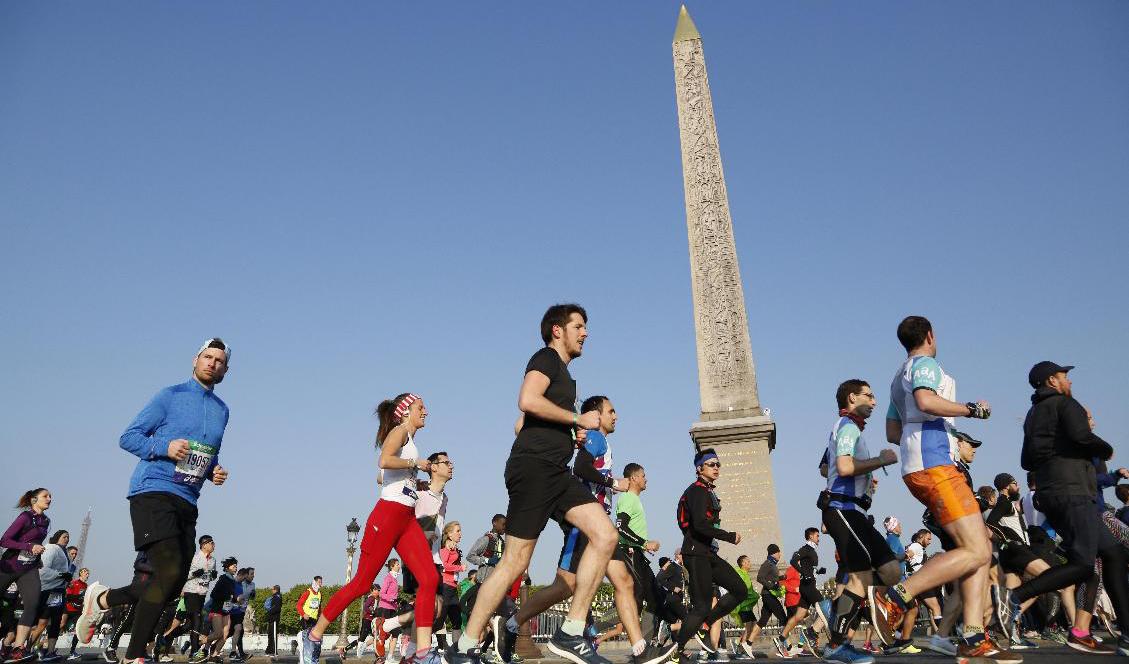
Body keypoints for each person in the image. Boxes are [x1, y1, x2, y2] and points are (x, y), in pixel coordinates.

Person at [450, 304, 620, 664]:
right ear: (557, 330)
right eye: (579, 326)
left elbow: (522, 423)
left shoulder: (565, 377)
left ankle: (571, 632)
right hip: (533, 469)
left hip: (556, 471)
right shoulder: (545, 358)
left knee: (605, 535)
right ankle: (465, 645)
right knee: (514, 562)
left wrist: (567, 432)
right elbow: (526, 400)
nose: (586, 332)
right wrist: (576, 418)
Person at [76, 339, 232, 664]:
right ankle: (135, 656)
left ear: (225, 370)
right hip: (152, 490)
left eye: (219, 360)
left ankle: (103, 599)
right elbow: (129, 436)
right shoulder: (170, 395)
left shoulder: (221, 411)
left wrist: (213, 471)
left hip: (188, 499)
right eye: (207, 357)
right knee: (170, 568)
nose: (212, 363)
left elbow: (206, 455)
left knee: (173, 581)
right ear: (195, 360)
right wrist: (165, 447)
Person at [873, 317, 1015, 663]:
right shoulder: (925, 365)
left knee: (978, 547)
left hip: (917, 468)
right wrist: (970, 410)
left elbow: (893, 431)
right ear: (931, 336)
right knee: (980, 550)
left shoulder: (897, 377)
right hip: (935, 465)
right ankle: (896, 595)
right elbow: (925, 401)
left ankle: (972, 635)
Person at [493, 398, 669, 664]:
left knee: (623, 581)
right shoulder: (597, 438)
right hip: (586, 524)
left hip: (596, 527)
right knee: (565, 587)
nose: (616, 416)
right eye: (611, 411)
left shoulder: (602, 441)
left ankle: (640, 649)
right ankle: (513, 625)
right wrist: (614, 483)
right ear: (596, 415)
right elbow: (581, 468)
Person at [301, 393, 441, 664]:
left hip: (406, 519)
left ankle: (422, 653)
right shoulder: (399, 432)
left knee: (429, 579)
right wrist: (416, 465)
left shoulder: (411, 441)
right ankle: (314, 635)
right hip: (387, 517)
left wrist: (415, 482)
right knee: (362, 583)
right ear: (405, 411)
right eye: (421, 407)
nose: (426, 411)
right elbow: (384, 461)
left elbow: (390, 476)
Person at [1006, 362, 1129, 655]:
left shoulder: (1033, 415)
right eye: (1065, 376)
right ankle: (1012, 598)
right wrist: (1105, 448)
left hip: (1053, 495)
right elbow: (1082, 438)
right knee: (1084, 565)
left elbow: (1026, 460)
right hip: (1074, 493)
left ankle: (1113, 633)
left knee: (1112, 552)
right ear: (1052, 380)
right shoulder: (1065, 404)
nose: (1069, 382)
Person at [817, 380, 901, 664]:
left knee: (891, 572)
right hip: (842, 509)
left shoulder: (849, 430)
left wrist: (863, 479)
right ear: (852, 398)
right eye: (869, 395)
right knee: (862, 576)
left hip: (856, 511)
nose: (874, 401)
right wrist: (879, 461)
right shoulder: (847, 426)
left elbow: (827, 467)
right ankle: (836, 645)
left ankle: (846, 601)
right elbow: (842, 467)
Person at [668, 449, 745, 664]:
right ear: (699, 468)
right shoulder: (697, 491)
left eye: (718, 464)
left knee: (739, 589)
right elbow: (700, 525)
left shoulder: (707, 491)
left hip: (707, 553)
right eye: (711, 464)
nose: (716, 467)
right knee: (701, 606)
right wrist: (728, 536)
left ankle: (704, 624)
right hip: (695, 554)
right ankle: (677, 650)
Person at [986, 472, 1078, 648]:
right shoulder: (1004, 502)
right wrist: (1008, 539)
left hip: (1011, 554)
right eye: (1014, 483)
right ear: (1006, 486)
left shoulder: (1011, 504)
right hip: (1018, 550)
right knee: (1060, 583)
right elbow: (990, 523)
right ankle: (1077, 632)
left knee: (1017, 594)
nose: (1018, 486)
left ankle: (1007, 632)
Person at [0, 489, 53, 664]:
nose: (49, 499)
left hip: (29, 568)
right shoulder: (25, 517)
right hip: (10, 566)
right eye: (46, 496)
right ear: (33, 500)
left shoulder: (46, 521)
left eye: (50, 496)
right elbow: (5, 540)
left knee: (32, 604)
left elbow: (37, 544)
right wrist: (29, 546)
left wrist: (36, 556)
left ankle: (17, 649)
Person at [776, 529, 825, 657]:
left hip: (806, 586)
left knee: (798, 616)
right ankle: (811, 634)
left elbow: (809, 568)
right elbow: (793, 560)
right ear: (810, 536)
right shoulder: (806, 549)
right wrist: (804, 573)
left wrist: (818, 571)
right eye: (817, 535)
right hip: (808, 587)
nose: (819, 538)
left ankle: (781, 639)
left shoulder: (812, 550)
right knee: (826, 610)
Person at [30, 530, 73, 663]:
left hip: (58, 591)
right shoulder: (51, 548)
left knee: (55, 622)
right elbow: (42, 570)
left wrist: (65, 579)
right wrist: (61, 575)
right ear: (56, 537)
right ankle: (25, 647)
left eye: (68, 537)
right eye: (64, 537)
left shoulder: (63, 552)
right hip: (48, 590)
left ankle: (50, 651)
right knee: (40, 622)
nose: (67, 539)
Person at [183, 535, 217, 662]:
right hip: (191, 591)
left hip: (202, 593)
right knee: (197, 619)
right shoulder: (194, 558)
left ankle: (170, 636)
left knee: (190, 624)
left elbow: (210, 577)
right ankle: (194, 652)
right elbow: (184, 575)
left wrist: (213, 576)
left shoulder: (213, 560)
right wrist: (193, 574)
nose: (214, 545)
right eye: (211, 543)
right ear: (204, 545)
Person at [747, 545, 785, 646]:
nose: (780, 554)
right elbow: (760, 577)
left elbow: (771, 578)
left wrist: (782, 578)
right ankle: (786, 646)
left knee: (763, 620)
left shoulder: (772, 564)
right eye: (779, 552)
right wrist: (772, 586)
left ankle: (748, 643)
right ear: (774, 553)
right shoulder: (767, 563)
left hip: (769, 595)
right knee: (783, 618)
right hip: (768, 595)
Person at [440, 523, 466, 641]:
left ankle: (457, 651)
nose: (460, 534)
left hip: (453, 588)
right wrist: (460, 568)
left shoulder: (454, 548)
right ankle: (420, 647)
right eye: (458, 531)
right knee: (440, 620)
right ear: (450, 534)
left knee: (457, 621)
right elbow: (443, 566)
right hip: (445, 587)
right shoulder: (445, 549)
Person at [732, 556, 760, 658]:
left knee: (753, 625)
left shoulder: (746, 574)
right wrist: (754, 595)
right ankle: (741, 650)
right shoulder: (740, 574)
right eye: (747, 561)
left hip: (746, 606)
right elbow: (743, 589)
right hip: (743, 605)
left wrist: (754, 595)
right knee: (749, 627)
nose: (750, 563)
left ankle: (739, 643)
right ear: (743, 563)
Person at [466, 516, 506, 586]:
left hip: (497, 583)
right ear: (494, 523)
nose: (505, 527)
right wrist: (487, 560)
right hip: (483, 582)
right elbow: (470, 556)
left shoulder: (502, 543)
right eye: (503, 524)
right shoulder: (485, 539)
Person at [63, 568, 89, 661]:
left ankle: (72, 652)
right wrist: (79, 596)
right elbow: (68, 596)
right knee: (60, 626)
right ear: (80, 574)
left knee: (78, 630)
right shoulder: (74, 582)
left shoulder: (86, 586)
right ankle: (41, 647)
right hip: (68, 609)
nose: (87, 574)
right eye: (85, 572)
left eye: (88, 573)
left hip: (77, 611)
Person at [264, 585, 282, 656]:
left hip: (273, 619)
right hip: (274, 619)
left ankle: (272, 651)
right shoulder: (278, 596)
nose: (271, 590)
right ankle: (270, 650)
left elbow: (277, 608)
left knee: (272, 635)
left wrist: (269, 612)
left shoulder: (276, 597)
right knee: (271, 635)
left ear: (275, 590)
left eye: (272, 589)